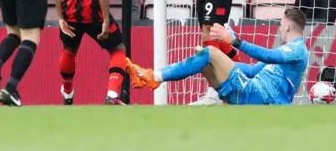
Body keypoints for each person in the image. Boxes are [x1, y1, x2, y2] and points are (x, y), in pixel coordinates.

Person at [126, 8, 309, 105]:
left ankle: (154, 77)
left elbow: (269, 56)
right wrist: (223, 63)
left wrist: (235, 41)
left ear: (288, 27)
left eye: (281, 24)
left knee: (211, 52)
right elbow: (252, 70)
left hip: (260, 97)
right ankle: (153, 77)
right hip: (250, 91)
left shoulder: (298, 50)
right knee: (206, 60)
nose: (279, 28)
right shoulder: (284, 52)